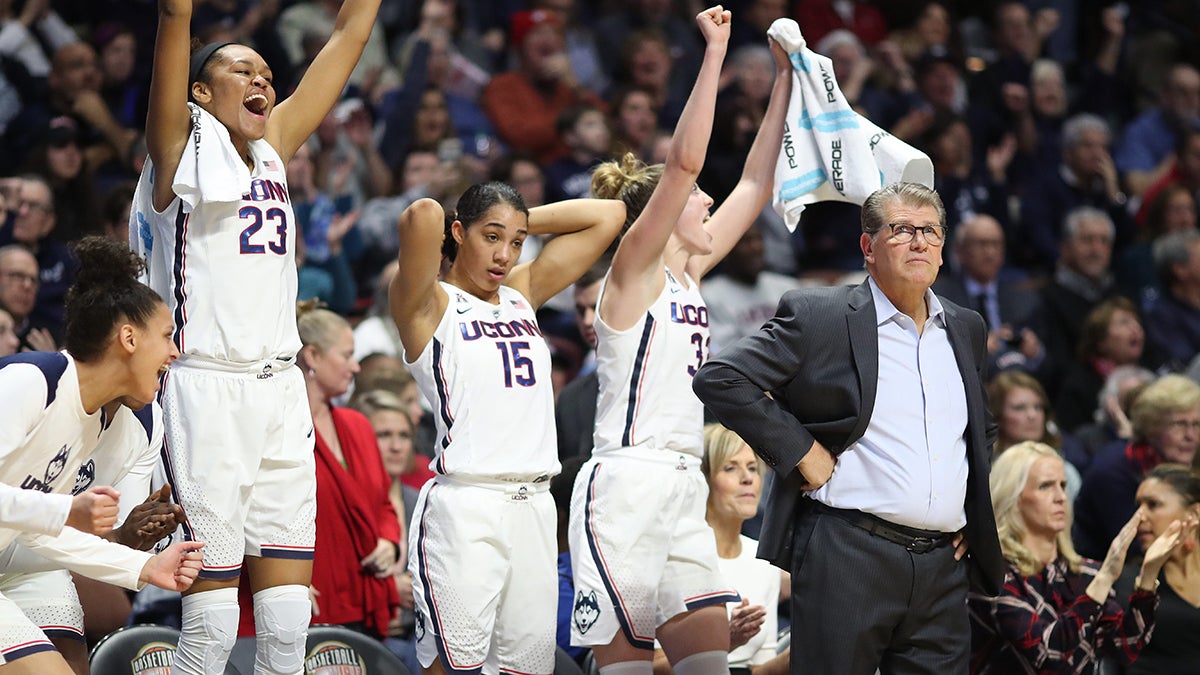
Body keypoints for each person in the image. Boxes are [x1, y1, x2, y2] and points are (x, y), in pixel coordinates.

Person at [132, 0, 382, 670]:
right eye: (242, 70)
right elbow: (172, 26)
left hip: (279, 390)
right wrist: (177, 17)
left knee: (286, 626)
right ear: (200, 91)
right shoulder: (176, 154)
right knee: (212, 628)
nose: (261, 80)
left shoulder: (273, 149)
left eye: (267, 72)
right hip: (205, 388)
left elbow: (348, 36)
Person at [694, 181, 1006, 673]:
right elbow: (722, 377)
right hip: (848, 552)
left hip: (942, 568)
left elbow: (980, 427)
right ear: (868, 247)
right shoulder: (821, 315)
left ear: (944, 249)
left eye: (930, 231)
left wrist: (966, 507)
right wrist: (802, 451)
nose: (920, 242)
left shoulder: (965, 327)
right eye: (902, 230)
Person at [568, 8, 791, 673]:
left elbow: (757, 183)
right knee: (630, 667)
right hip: (627, 481)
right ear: (662, 210)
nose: (707, 202)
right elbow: (684, 162)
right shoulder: (632, 270)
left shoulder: (690, 275)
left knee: (707, 666)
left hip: (682, 483)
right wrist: (716, 51)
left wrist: (783, 82)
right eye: (697, 198)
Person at [390, 175, 623, 673]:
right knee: (454, 665)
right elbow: (421, 215)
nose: (505, 255)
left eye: (516, 243)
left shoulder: (522, 293)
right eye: (490, 237)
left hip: (535, 505)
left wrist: (518, 217)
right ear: (458, 232)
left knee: (526, 667)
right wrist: (489, 215)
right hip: (467, 504)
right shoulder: (427, 305)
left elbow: (610, 217)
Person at [0, 236, 204, 674]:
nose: (175, 351)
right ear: (128, 338)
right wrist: (66, 509)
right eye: (167, 336)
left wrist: (146, 565)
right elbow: (49, 518)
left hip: (22, 558)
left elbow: (37, 533)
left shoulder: (93, 420)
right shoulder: (31, 381)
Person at [967, 442, 1187, 673]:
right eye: (1045, 486)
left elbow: (1124, 647)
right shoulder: (993, 574)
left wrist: (1148, 577)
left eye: (1063, 485)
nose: (1061, 497)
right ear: (1013, 497)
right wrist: (1104, 580)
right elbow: (1050, 654)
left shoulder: (1085, 574)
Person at [296, 303, 400, 637]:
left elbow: (384, 503)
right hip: (309, 603)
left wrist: (390, 542)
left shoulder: (358, 426)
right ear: (312, 356)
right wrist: (281, 580)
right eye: (346, 355)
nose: (356, 366)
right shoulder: (278, 431)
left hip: (365, 599)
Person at [1074, 374, 1200, 560]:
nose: (1190, 436)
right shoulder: (1111, 472)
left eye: (1196, 424)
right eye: (1179, 424)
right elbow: (1135, 547)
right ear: (1151, 426)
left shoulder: (1189, 465)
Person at [1115, 464, 1200, 674]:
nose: (1140, 516)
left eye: (1153, 505)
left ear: (1194, 513)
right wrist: (1149, 573)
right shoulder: (1128, 580)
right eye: (1138, 506)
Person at [986, 370, 1083, 498]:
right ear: (997, 416)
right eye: (1019, 408)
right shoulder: (985, 473)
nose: (1032, 415)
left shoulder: (1065, 472)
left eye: (1038, 407)